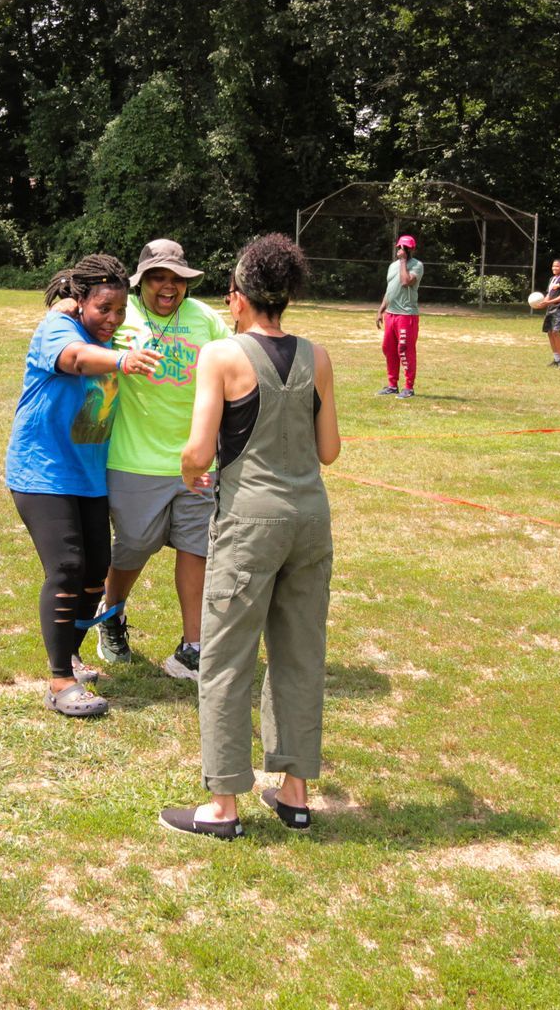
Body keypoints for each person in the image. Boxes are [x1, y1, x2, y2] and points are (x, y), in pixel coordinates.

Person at [160, 233, 340, 839]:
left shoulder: (222, 354)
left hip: (249, 524)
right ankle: (294, 794)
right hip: (310, 520)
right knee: (299, 655)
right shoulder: (318, 355)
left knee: (228, 659)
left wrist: (193, 471)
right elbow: (330, 451)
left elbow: (197, 450)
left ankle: (223, 805)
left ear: (240, 297)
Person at [4, 255, 161, 718]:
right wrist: (121, 358)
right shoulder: (59, 331)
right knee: (68, 565)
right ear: (79, 302)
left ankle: (70, 656)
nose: (112, 319)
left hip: (89, 475)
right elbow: (74, 360)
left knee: (97, 566)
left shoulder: (108, 335)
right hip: (41, 472)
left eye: (119, 310)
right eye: (103, 309)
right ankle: (58, 681)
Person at [93, 239, 230, 679]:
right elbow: (80, 334)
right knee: (134, 543)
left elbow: (237, 362)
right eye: (158, 278)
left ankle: (193, 646)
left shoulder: (205, 319)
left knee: (196, 546)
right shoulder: (122, 313)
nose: (168, 287)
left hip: (196, 460)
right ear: (141, 281)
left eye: (176, 279)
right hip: (134, 459)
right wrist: (120, 358)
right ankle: (110, 612)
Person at [375, 234, 423, 397]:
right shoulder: (392, 266)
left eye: (405, 248)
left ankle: (408, 388)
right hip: (391, 314)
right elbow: (390, 289)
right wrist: (381, 310)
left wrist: (403, 261)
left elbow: (405, 281)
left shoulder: (416, 265)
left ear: (411, 250)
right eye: (400, 247)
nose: (402, 250)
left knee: (404, 349)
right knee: (388, 348)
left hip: (406, 315)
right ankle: (392, 385)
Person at [540, 258, 560, 368]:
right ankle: (556, 359)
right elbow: (549, 294)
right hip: (550, 309)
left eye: (557, 266)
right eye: (553, 266)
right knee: (550, 332)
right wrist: (543, 302)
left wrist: (549, 302)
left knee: (556, 332)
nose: (554, 268)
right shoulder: (552, 279)